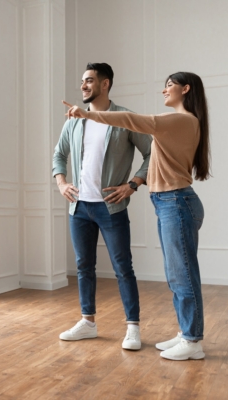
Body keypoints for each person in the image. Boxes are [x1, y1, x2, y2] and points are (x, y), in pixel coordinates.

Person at [63, 71, 210, 361]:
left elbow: (133, 121)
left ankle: (193, 340)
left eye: (169, 85)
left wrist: (88, 115)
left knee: (183, 276)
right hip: (170, 202)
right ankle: (186, 333)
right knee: (175, 275)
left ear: (186, 89)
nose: (164, 90)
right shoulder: (181, 123)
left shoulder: (181, 119)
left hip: (176, 202)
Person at [53, 63, 152, 350]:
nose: (83, 86)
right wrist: (61, 183)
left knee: (123, 268)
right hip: (80, 208)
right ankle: (88, 322)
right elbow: (59, 154)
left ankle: (132, 327)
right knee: (84, 267)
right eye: (82, 81)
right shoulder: (73, 120)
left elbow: (152, 153)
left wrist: (132, 184)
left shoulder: (124, 118)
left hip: (111, 209)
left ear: (105, 84)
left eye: (89, 81)